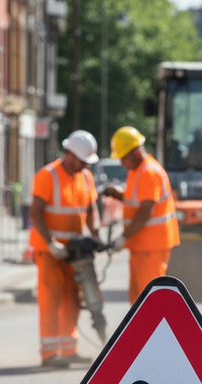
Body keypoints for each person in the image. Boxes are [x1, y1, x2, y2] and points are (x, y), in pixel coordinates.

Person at [28, 130, 100, 369]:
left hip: (74, 251)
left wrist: (96, 234)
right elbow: (35, 211)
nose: (83, 165)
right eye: (81, 160)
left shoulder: (86, 177)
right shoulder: (48, 175)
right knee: (50, 298)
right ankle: (49, 353)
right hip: (50, 251)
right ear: (70, 155)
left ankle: (69, 349)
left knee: (71, 298)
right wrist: (50, 243)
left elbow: (90, 209)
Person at [102, 126, 180, 303]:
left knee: (150, 300)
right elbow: (137, 201)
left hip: (150, 246)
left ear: (135, 152)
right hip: (142, 246)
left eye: (123, 158)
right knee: (138, 298)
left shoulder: (148, 172)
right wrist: (118, 194)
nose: (122, 163)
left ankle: (154, 331)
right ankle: (141, 331)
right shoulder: (137, 171)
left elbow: (146, 210)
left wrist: (124, 236)